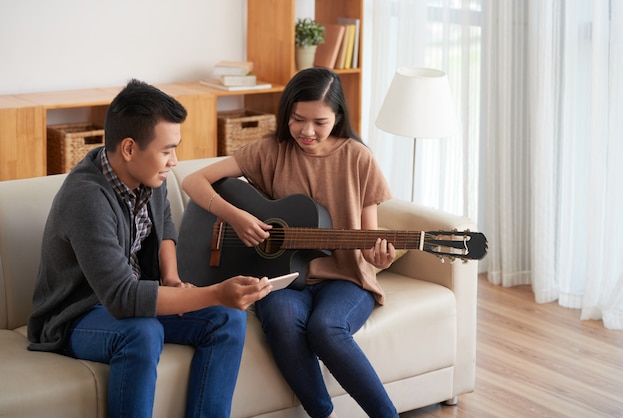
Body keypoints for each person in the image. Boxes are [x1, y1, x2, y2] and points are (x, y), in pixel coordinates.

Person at [27, 79, 272, 418]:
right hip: (75, 316)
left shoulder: (148, 175)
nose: (174, 161)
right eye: (167, 149)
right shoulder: (86, 198)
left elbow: (165, 228)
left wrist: (171, 278)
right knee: (142, 331)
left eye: (175, 148)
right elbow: (123, 298)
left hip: (129, 298)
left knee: (228, 318)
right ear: (129, 148)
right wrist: (215, 292)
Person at [182, 67, 399, 418]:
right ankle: (321, 413)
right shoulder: (270, 151)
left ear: (338, 117)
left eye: (320, 122)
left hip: (345, 279)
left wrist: (380, 257)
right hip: (283, 278)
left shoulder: (359, 159)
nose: (307, 131)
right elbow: (194, 181)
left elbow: (369, 242)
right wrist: (235, 216)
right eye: (298, 119)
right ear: (287, 114)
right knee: (280, 318)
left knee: (326, 328)